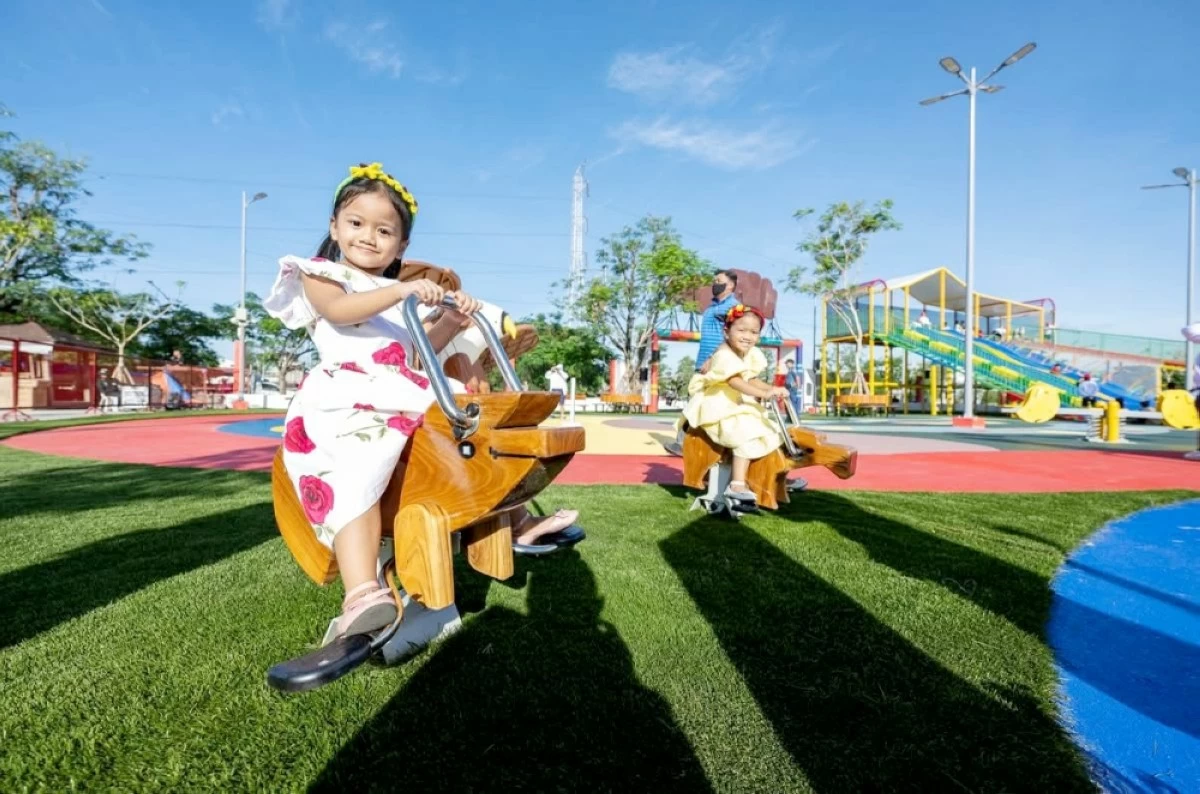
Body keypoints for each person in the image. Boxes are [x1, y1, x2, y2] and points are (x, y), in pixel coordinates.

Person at [263, 162, 500, 641]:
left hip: (401, 386)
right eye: (356, 224)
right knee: (356, 464)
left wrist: (451, 322)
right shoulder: (322, 274)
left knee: (479, 424)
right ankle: (361, 594)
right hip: (350, 393)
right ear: (335, 227)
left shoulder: (396, 297)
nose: (368, 237)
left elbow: (413, 352)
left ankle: (515, 515)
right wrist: (404, 289)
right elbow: (339, 311)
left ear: (402, 245)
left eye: (384, 230)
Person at [679, 304, 790, 506]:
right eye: (741, 330)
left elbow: (751, 379)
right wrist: (765, 393)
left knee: (770, 430)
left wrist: (773, 389)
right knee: (744, 430)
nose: (748, 336)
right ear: (726, 331)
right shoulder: (723, 355)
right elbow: (735, 381)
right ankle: (736, 484)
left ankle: (776, 475)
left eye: (754, 332)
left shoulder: (750, 353)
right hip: (718, 404)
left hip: (735, 400)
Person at [662, 269, 740, 457]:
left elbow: (733, 336)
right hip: (702, 361)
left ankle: (693, 445)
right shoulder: (711, 307)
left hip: (717, 363)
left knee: (705, 404)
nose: (715, 283)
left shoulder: (734, 307)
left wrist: (713, 358)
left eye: (719, 280)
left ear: (730, 285)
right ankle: (689, 444)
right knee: (696, 402)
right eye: (714, 280)